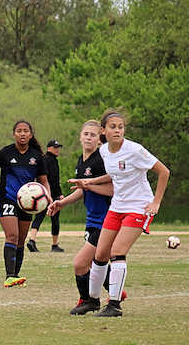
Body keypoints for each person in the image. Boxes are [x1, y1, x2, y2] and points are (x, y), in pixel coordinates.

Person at [70, 109, 170, 317]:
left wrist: (156, 202)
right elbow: (113, 174)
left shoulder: (134, 150)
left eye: (121, 127)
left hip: (138, 207)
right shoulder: (105, 151)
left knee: (117, 251)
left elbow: (163, 171)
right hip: (117, 206)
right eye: (113, 127)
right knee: (100, 254)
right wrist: (90, 182)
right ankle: (92, 301)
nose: (117, 130)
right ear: (103, 131)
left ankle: (114, 305)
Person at [46, 121, 118, 315]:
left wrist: (87, 185)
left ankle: (90, 300)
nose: (88, 137)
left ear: (99, 139)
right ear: (79, 136)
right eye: (85, 134)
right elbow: (82, 189)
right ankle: (114, 291)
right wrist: (62, 203)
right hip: (92, 221)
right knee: (96, 261)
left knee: (80, 263)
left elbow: (112, 188)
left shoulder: (100, 160)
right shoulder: (82, 161)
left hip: (106, 220)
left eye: (93, 135)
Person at [0, 120, 51, 287]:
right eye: (19, 131)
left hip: (27, 205)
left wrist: (47, 196)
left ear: (31, 134)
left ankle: (16, 276)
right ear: (13, 134)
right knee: (12, 236)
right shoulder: (5, 153)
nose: (22, 134)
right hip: (7, 199)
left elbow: (44, 181)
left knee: (21, 240)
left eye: (25, 131)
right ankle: (10, 276)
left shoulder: (37, 157)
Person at [28, 140, 65, 253]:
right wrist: (59, 194)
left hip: (40, 193)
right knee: (55, 219)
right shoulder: (53, 161)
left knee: (39, 217)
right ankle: (54, 245)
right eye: (55, 147)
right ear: (49, 148)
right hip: (52, 194)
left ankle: (32, 239)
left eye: (58, 147)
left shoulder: (41, 159)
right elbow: (53, 179)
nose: (57, 149)